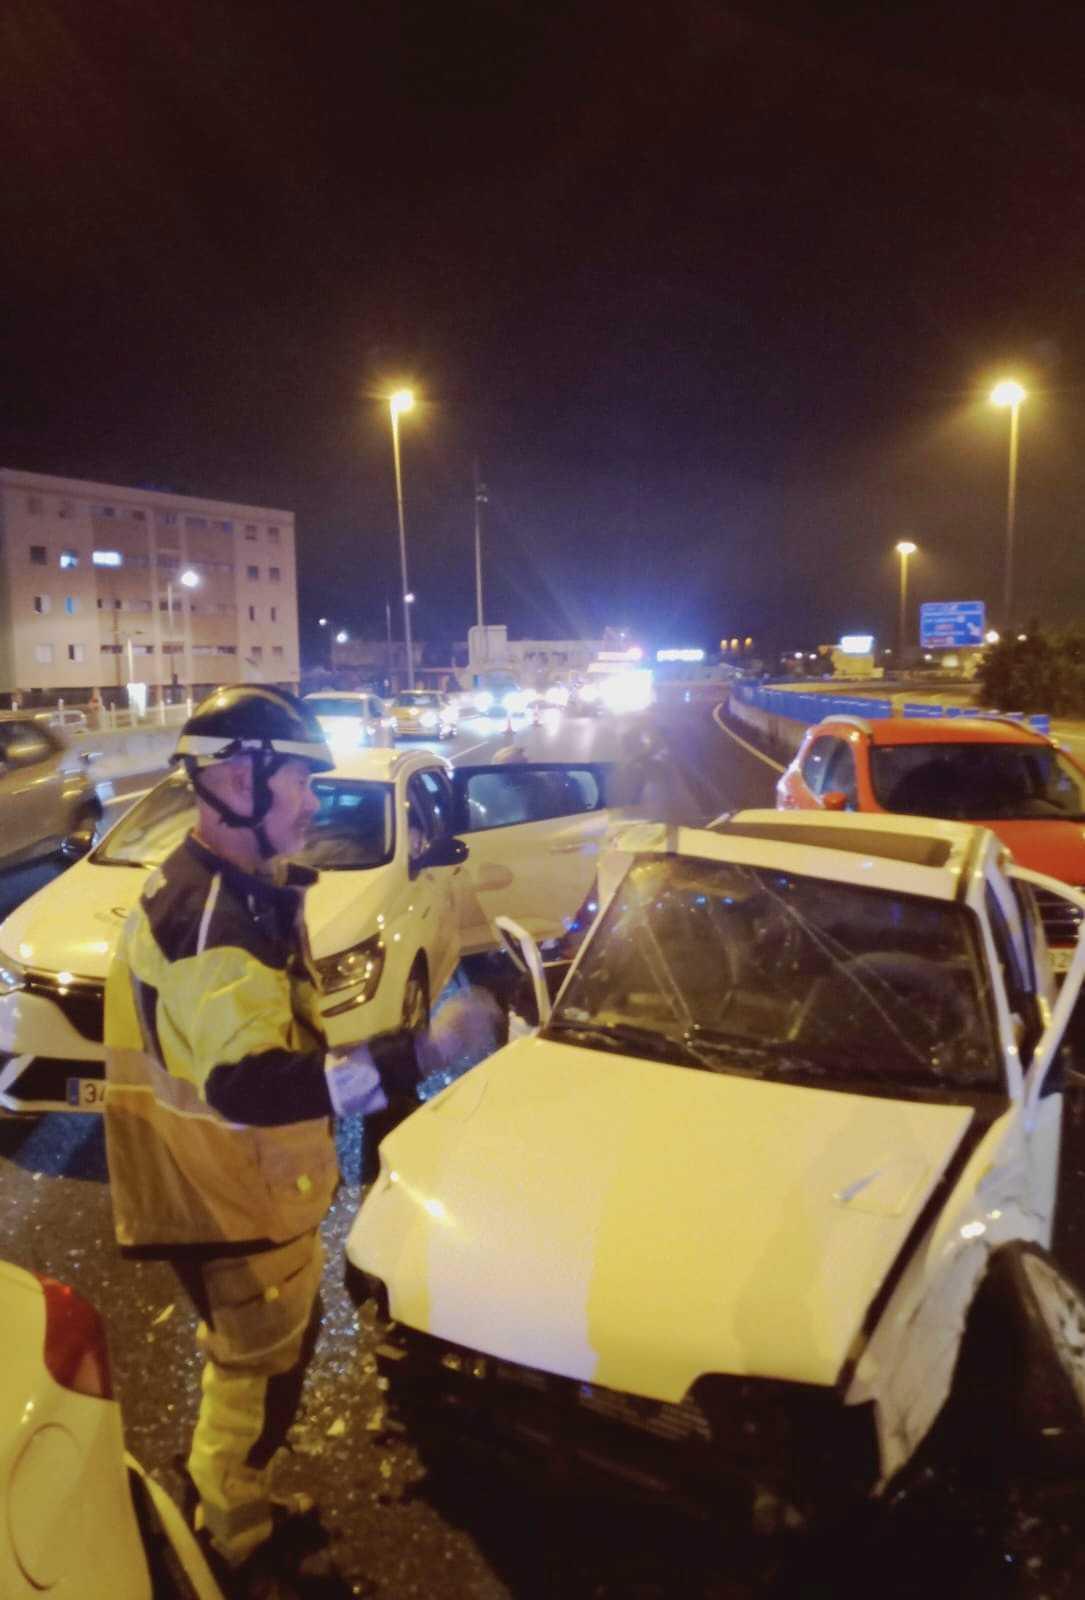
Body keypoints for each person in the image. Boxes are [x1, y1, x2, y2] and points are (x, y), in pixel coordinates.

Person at [102, 685, 495, 1593]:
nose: (315, 800)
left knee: (265, 1357)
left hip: (224, 1181)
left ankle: (219, 1496)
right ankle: (233, 1539)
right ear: (237, 778)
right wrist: (421, 1050)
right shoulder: (213, 921)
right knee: (257, 1376)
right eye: (302, 779)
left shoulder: (233, 883)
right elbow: (253, 1084)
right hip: (229, 1190)